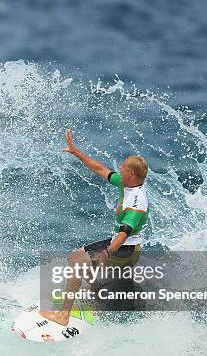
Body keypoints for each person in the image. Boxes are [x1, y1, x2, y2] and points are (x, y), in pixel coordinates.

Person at [41, 129, 150, 325]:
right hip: (119, 243)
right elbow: (101, 170)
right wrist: (77, 152)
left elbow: (124, 234)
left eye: (123, 168)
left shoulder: (136, 202)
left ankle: (63, 316)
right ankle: (98, 295)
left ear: (131, 173)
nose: (119, 169)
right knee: (74, 256)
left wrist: (107, 252)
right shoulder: (126, 184)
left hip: (126, 250)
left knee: (77, 265)